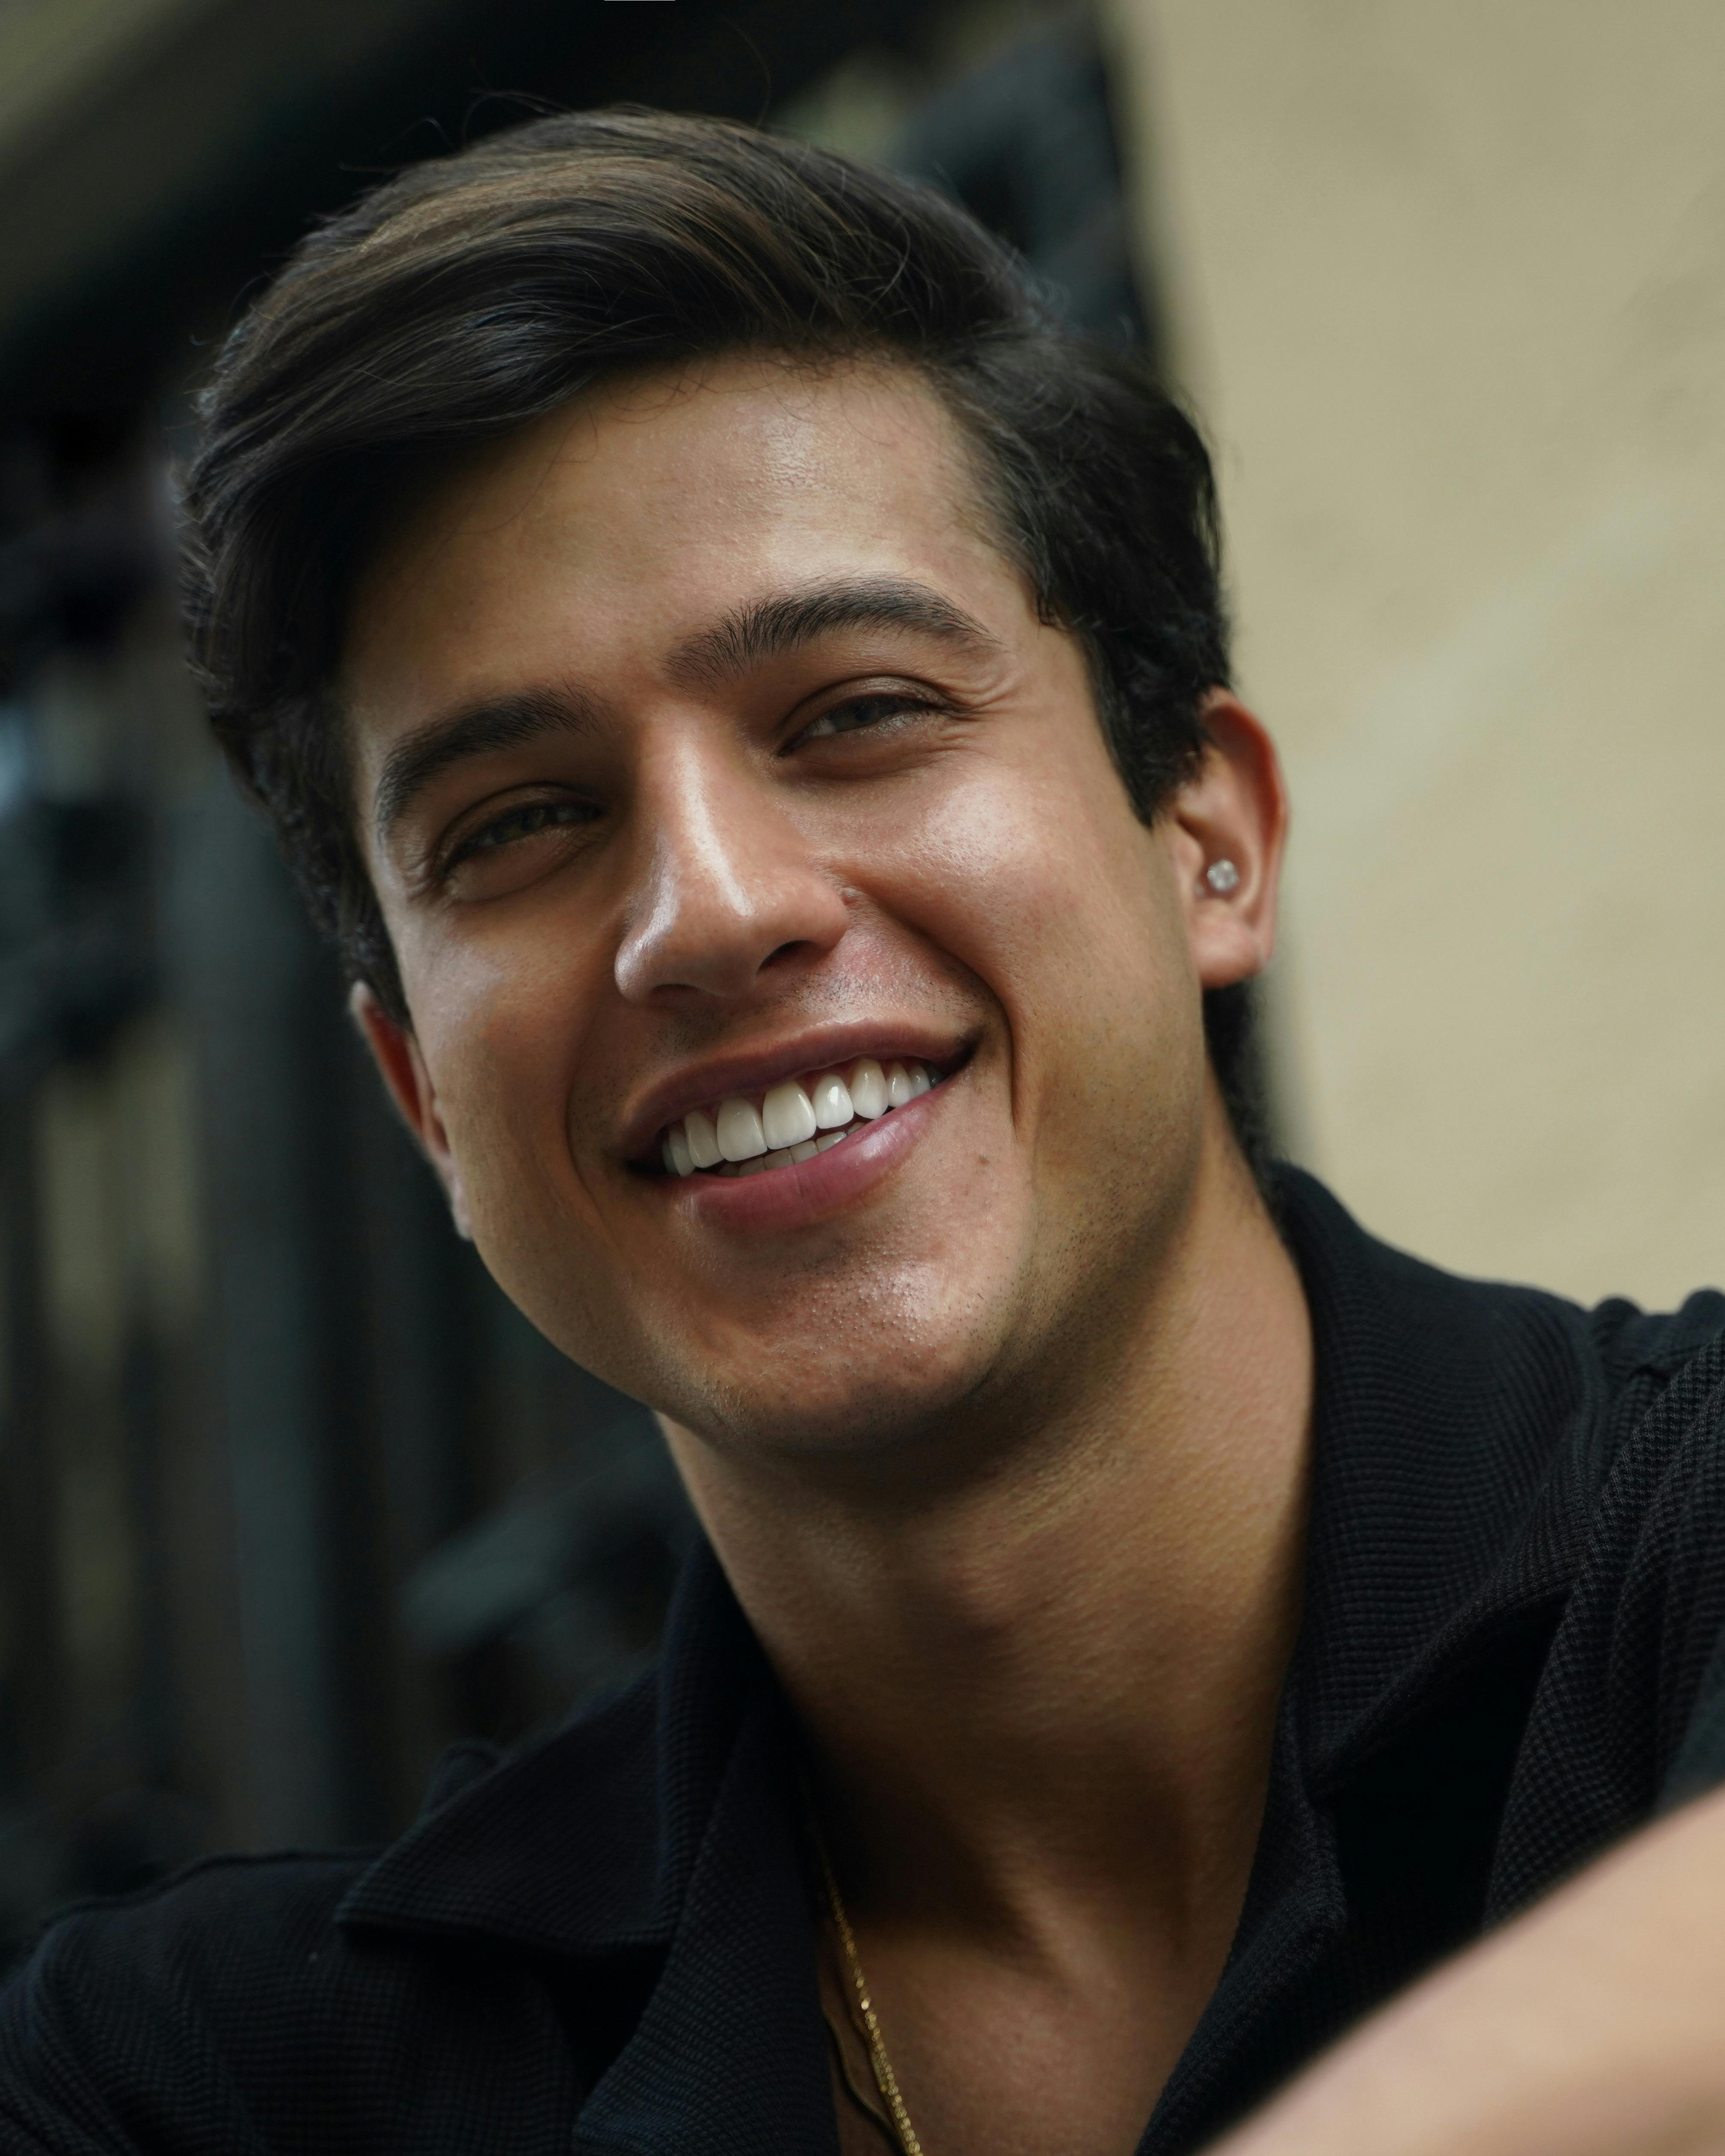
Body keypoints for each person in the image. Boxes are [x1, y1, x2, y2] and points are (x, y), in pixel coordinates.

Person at [5, 108, 1725, 2156]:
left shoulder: (1682, 1539)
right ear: (420, 1104)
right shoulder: (221, 2085)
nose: (711, 911)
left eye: (858, 713)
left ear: (1209, 841)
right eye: (521, 824)